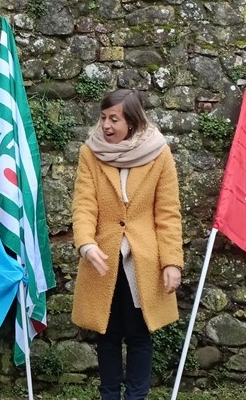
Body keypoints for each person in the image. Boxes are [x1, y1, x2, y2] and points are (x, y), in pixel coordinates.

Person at [71, 89, 183, 400]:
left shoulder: (160, 154)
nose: (105, 125)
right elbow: (83, 206)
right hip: (102, 261)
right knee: (106, 336)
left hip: (143, 263)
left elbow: (168, 213)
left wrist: (172, 262)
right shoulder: (89, 153)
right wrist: (86, 244)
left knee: (139, 336)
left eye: (114, 119)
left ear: (131, 122)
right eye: (103, 117)